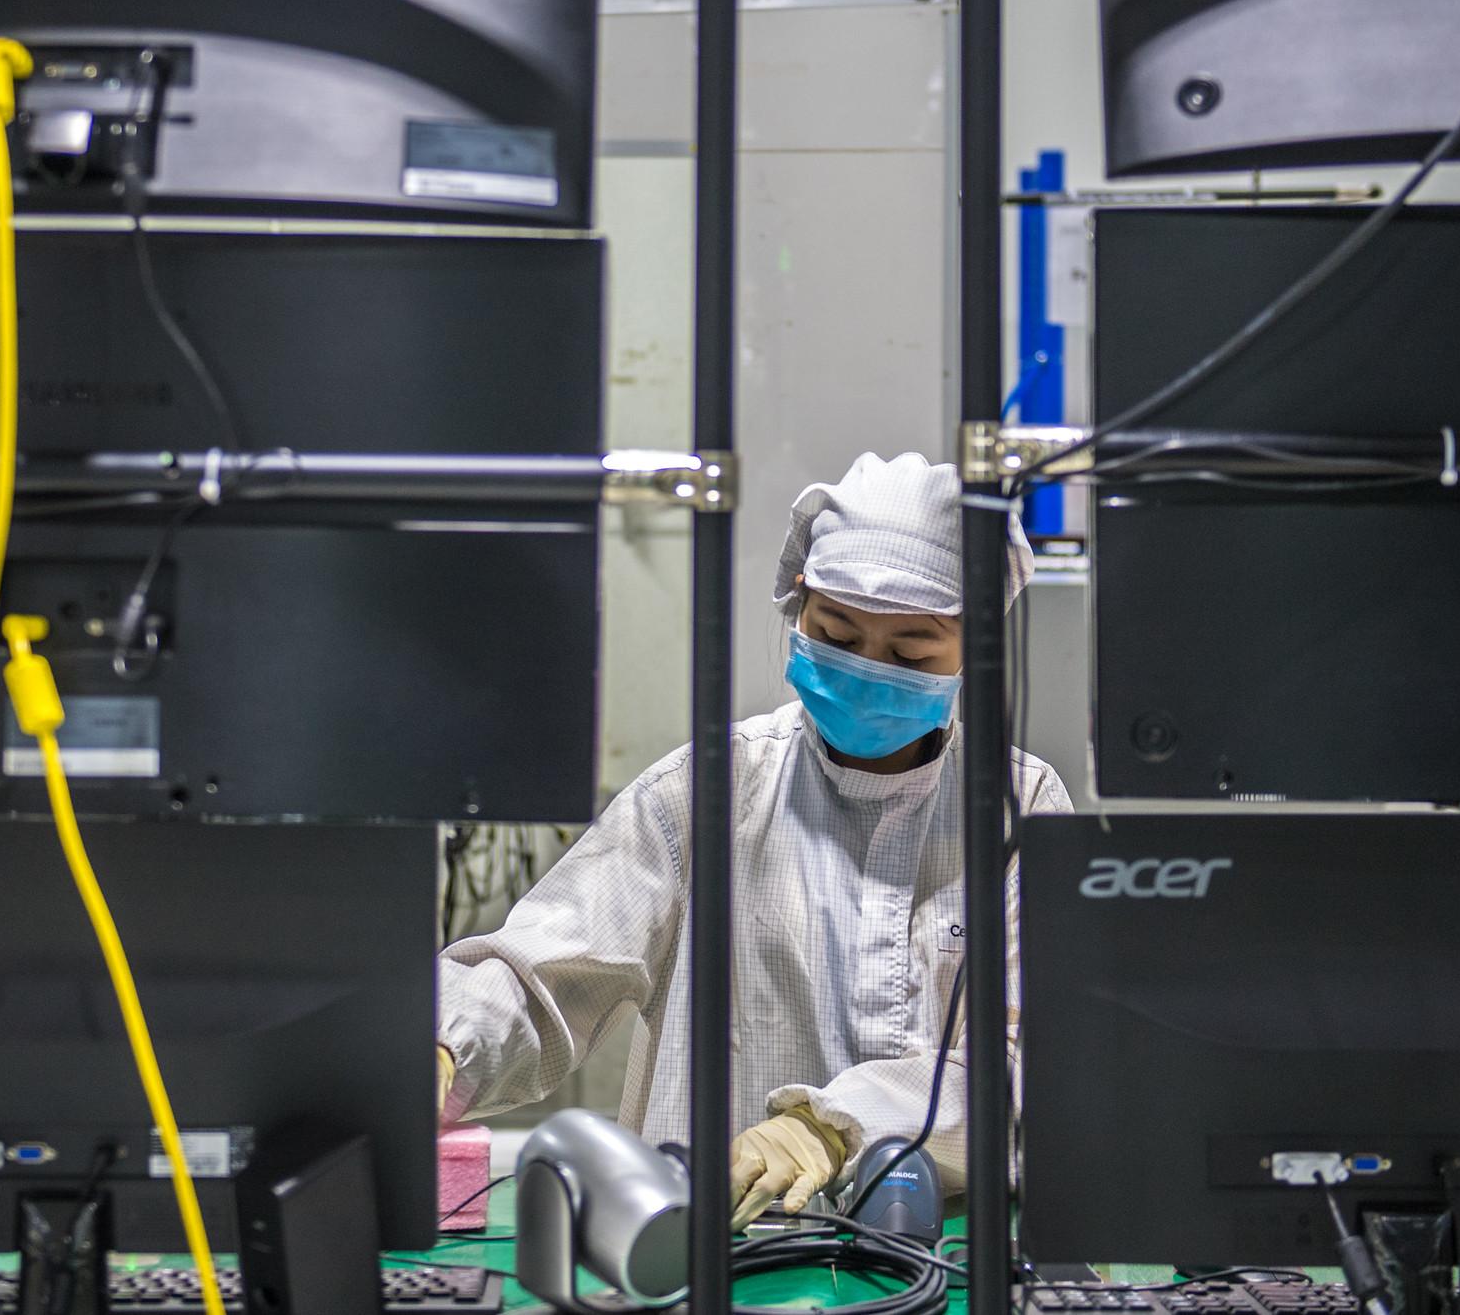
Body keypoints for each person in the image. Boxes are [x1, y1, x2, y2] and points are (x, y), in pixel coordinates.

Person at [436, 451, 1069, 1229]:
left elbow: (1035, 1060)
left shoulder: (1018, 806)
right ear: (797, 609)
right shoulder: (712, 788)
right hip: (715, 1247)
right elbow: (545, 971)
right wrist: (442, 1049)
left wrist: (831, 1125)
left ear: (975, 646)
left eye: (910, 652)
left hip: (936, 1253)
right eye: (836, 633)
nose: (868, 669)